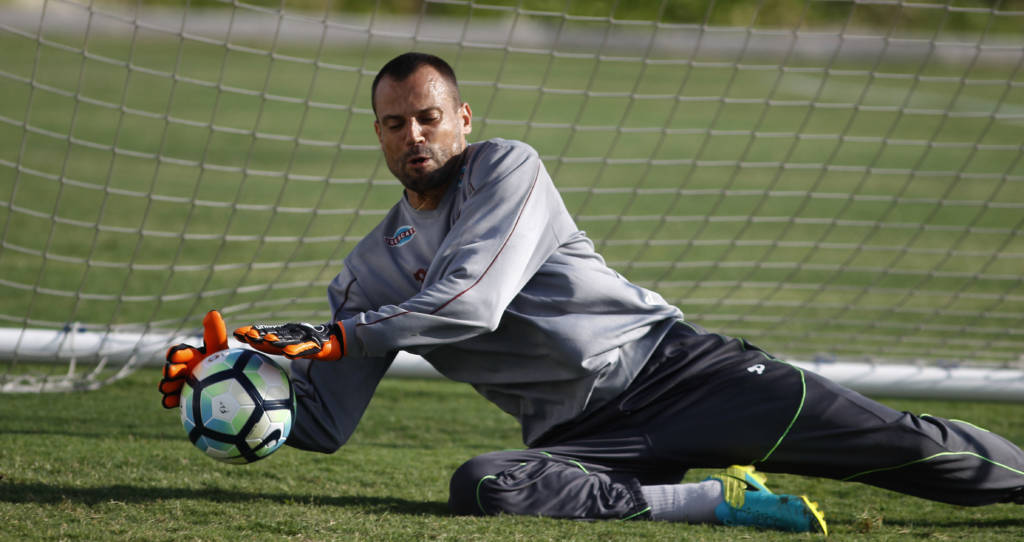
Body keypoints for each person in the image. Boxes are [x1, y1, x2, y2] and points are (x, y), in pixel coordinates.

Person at [159, 52, 1024, 534]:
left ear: (463, 119)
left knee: (906, 448)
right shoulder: (364, 275)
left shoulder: (506, 169)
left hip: (680, 373)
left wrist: (342, 336)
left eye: (429, 116)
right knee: (485, 487)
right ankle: (715, 503)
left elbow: (471, 300)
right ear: (379, 134)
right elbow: (322, 422)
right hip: (581, 437)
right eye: (395, 123)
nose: (414, 135)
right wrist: (225, 374)